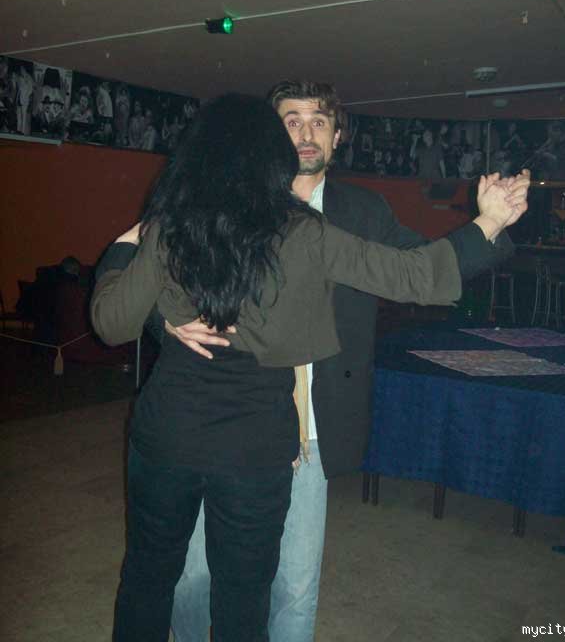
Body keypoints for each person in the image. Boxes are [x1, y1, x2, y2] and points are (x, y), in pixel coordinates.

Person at [91, 92, 525, 642]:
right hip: (255, 445)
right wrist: (487, 223)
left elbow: (110, 323)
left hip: (168, 435)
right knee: (244, 594)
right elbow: (414, 276)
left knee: (148, 579)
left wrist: (123, 247)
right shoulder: (303, 231)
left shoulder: (171, 228)